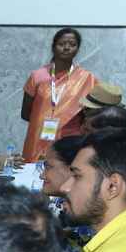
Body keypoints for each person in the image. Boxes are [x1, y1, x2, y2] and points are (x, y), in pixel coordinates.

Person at [21, 27, 98, 161]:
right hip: (37, 140)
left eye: (72, 44)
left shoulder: (87, 78)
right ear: (53, 46)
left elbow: (91, 115)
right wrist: (43, 120)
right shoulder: (37, 76)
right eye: (62, 44)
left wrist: (65, 124)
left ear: (77, 49)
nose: (67, 48)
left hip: (69, 141)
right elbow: (26, 113)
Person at [41, 135, 92, 252]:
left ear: (73, 170)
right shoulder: (61, 203)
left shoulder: (82, 215)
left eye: (48, 166)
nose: (42, 175)